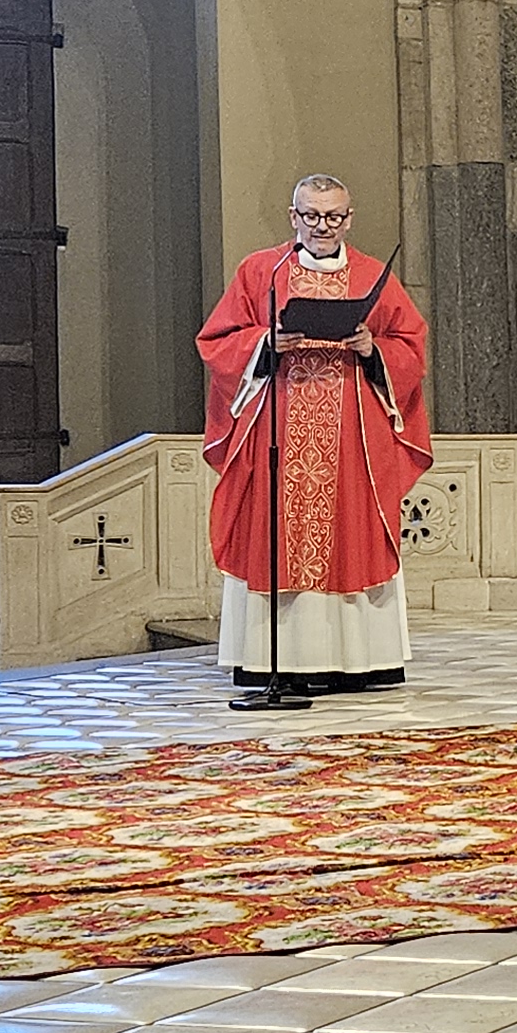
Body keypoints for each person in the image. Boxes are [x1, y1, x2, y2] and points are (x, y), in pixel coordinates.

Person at [199, 173, 434, 691]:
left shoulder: (373, 275)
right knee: (275, 535)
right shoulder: (260, 271)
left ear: (348, 218)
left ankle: (360, 661)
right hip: (278, 427)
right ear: (293, 216)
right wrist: (267, 343)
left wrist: (373, 348)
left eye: (333, 217)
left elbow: (411, 348)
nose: (322, 226)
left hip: (350, 437)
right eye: (310, 215)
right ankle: (271, 660)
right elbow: (217, 341)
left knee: (351, 532)